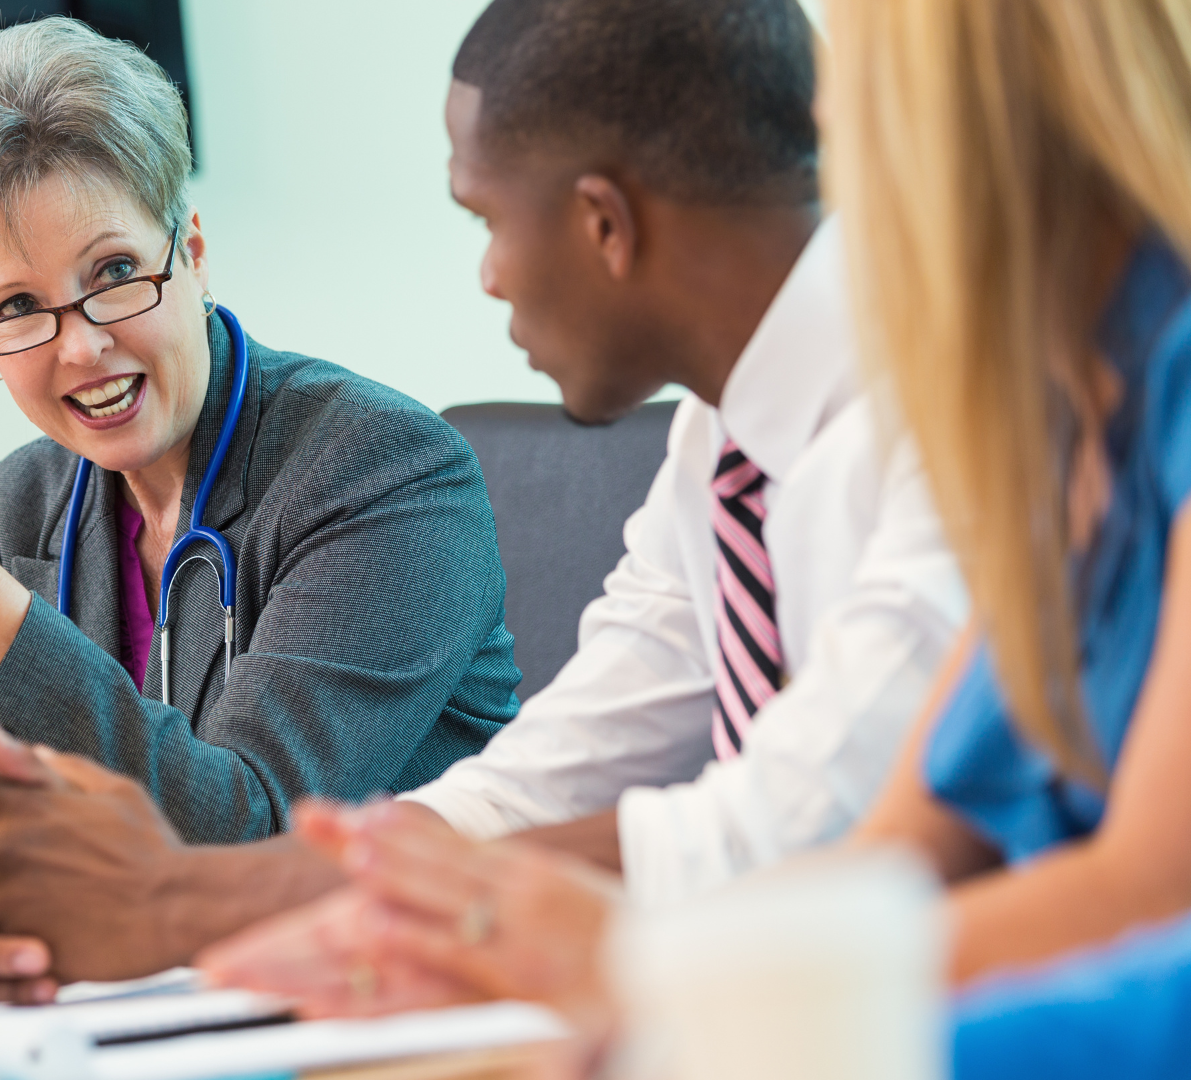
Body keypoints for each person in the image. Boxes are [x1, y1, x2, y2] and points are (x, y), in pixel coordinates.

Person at [0, 0, 968, 1002]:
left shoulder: (959, 409)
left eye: (482, 218)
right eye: (19, 308)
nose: (486, 277)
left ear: (604, 224)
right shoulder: (722, 445)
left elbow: (802, 812)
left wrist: (198, 896)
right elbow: (544, 777)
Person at [215, 0, 1191, 1074]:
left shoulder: (1077, 397)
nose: (831, 190)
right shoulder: (1062, 412)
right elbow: (901, 843)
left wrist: (652, 989)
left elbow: (1147, 896)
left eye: (854, 122)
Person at [0, 14, 521, 871]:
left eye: (113, 273)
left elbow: (243, 838)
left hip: (400, 983)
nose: (80, 345)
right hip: (147, 999)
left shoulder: (382, 473)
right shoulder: (21, 507)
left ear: (194, 254)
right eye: (18, 308)